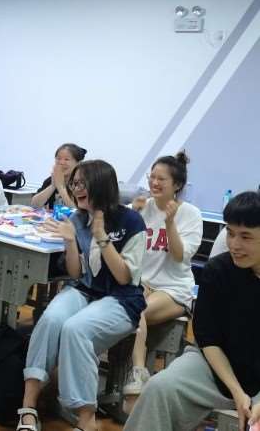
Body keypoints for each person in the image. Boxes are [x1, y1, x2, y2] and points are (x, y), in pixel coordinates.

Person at [18, 160, 147, 431]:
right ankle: (28, 407)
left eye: (81, 183)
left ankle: (87, 421)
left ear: (101, 185)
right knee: (50, 320)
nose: (76, 189)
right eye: (74, 183)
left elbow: (124, 277)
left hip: (122, 299)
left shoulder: (131, 221)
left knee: (76, 329)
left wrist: (101, 236)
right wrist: (69, 241)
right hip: (86, 290)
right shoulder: (78, 219)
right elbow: (76, 273)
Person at [124, 191, 260, 431]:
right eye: (230, 233)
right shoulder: (217, 271)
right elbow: (208, 338)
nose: (234, 244)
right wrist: (237, 391)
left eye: (246, 236)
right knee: (160, 388)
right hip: (213, 367)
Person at [123, 151, 203, 399]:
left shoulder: (191, 214)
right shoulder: (141, 207)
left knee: (136, 309)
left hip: (173, 289)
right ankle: (121, 376)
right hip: (143, 283)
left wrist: (169, 223)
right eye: (152, 177)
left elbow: (179, 256)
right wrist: (131, 216)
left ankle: (137, 373)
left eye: (161, 179)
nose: (154, 183)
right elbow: (118, 241)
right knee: (125, 305)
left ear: (177, 185)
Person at [31, 143, 87, 210]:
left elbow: (77, 209)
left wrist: (60, 186)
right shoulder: (50, 180)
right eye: (58, 159)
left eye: (66, 159)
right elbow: (34, 205)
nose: (61, 162)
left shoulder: (83, 183)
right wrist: (53, 186)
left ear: (78, 163)